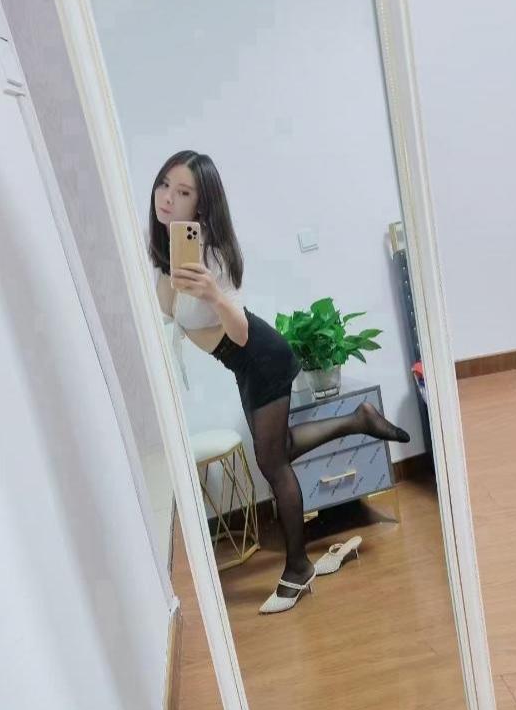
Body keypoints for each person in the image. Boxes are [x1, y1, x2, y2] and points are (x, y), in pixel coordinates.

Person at [148, 150, 410, 614]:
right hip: (243, 366)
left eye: (183, 192)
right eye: (164, 184)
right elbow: (171, 315)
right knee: (280, 449)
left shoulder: (212, 255)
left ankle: (297, 568)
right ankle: (358, 419)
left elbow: (240, 332)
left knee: (273, 462)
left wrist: (212, 292)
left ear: (201, 205)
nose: (168, 197)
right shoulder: (167, 252)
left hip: (260, 355)